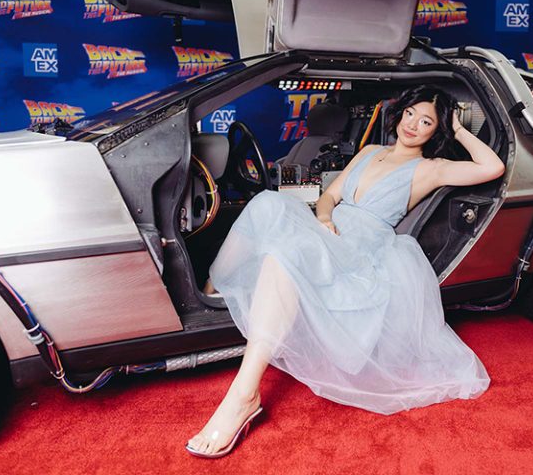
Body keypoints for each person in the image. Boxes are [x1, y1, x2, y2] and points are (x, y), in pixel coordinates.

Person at [186, 85, 506, 458]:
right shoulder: (370, 151)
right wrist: (323, 219)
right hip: (329, 228)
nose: (413, 126)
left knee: (282, 255)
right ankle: (214, 290)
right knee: (266, 202)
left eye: (426, 122)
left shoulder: (431, 169)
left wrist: (459, 128)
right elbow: (330, 196)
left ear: (436, 131)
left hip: (361, 247)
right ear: (399, 113)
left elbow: (492, 167)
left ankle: (243, 395)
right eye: (410, 115)